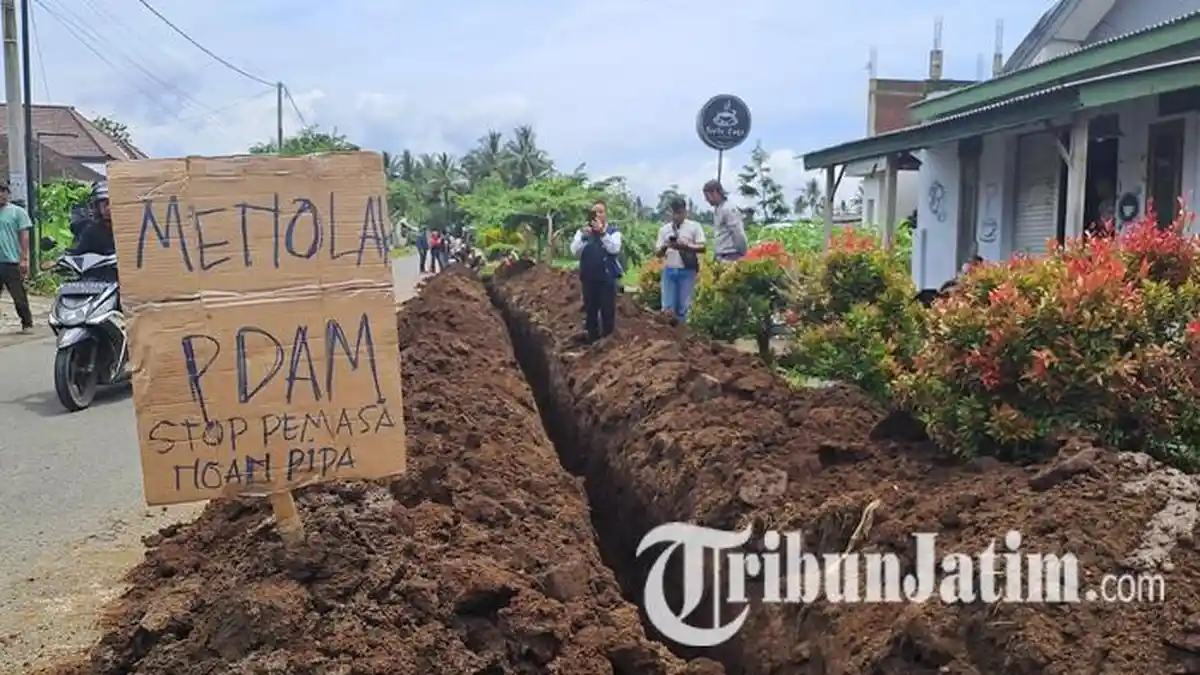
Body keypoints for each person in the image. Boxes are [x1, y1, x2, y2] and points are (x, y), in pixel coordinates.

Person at [571, 204, 622, 342]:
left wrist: (602, 233)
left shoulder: (613, 232)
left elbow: (614, 249)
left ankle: (608, 340)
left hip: (607, 278)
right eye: (595, 212)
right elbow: (574, 251)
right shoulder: (583, 232)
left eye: (600, 212)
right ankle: (592, 340)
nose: (598, 215)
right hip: (588, 278)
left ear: (606, 214)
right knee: (590, 310)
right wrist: (584, 237)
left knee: (607, 310)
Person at [656, 197, 706, 321]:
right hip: (669, 270)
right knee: (668, 308)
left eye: (679, 213)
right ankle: (668, 331)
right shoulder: (664, 230)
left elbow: (702, 247)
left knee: (685, 308)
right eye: (674, 213)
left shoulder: (694, 227)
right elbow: (658, 253)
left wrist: (686, 246)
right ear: (670, 212)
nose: (676, 216)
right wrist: (666, 246)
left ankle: (683, 331)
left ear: (685, 212)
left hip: (687, 270)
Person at [0, 181, 33, 333]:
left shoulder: (17, 212)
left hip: (11, 261)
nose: (0, 194)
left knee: (18, 296)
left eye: (3, 191)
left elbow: (24, 236)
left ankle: (27, 323)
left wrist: (24, 258)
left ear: (8, 193)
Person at [67, 181, 116, 257]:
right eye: (105, 203)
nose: (108, 208)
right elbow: (78, 256)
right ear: (97, 207)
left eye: (112, 203)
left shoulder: (129, 228)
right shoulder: (91, 231)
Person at [703, 179, 747, 262]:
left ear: (715, 192)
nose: (707, 200)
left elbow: (738, 233)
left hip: (731, 254)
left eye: (707, 196)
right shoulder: (717, 209)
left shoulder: (728, 208)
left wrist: (743, 253)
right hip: (721, 255)